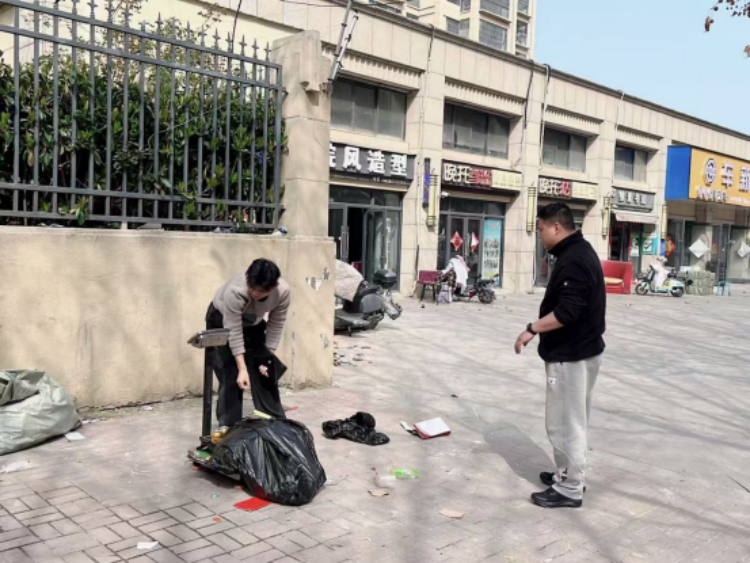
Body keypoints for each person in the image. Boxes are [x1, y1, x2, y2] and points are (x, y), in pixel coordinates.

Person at [514, 203, 606, 509]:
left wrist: (531, 329)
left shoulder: (574, 259)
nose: (539, 235)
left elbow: (567, 312)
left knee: (565, 423)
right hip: (582, 351)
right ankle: (566, 473)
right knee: (572, 419)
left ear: (556, 226)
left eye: (540, 229)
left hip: (571, 355)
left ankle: (569, 488)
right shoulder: (580, 250)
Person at [206, 259, 291, 430]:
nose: (255, 293)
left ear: (274, 286)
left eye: (261, 291)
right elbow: (234, 331)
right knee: (231, 373)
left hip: (253, 321)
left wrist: (267, 358)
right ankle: (229, 427)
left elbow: (276, 324)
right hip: (221, 319)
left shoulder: (282, 291)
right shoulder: (235, 291)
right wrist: (242, 368)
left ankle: (274, 420)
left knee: (265, 370)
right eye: (252, 288)